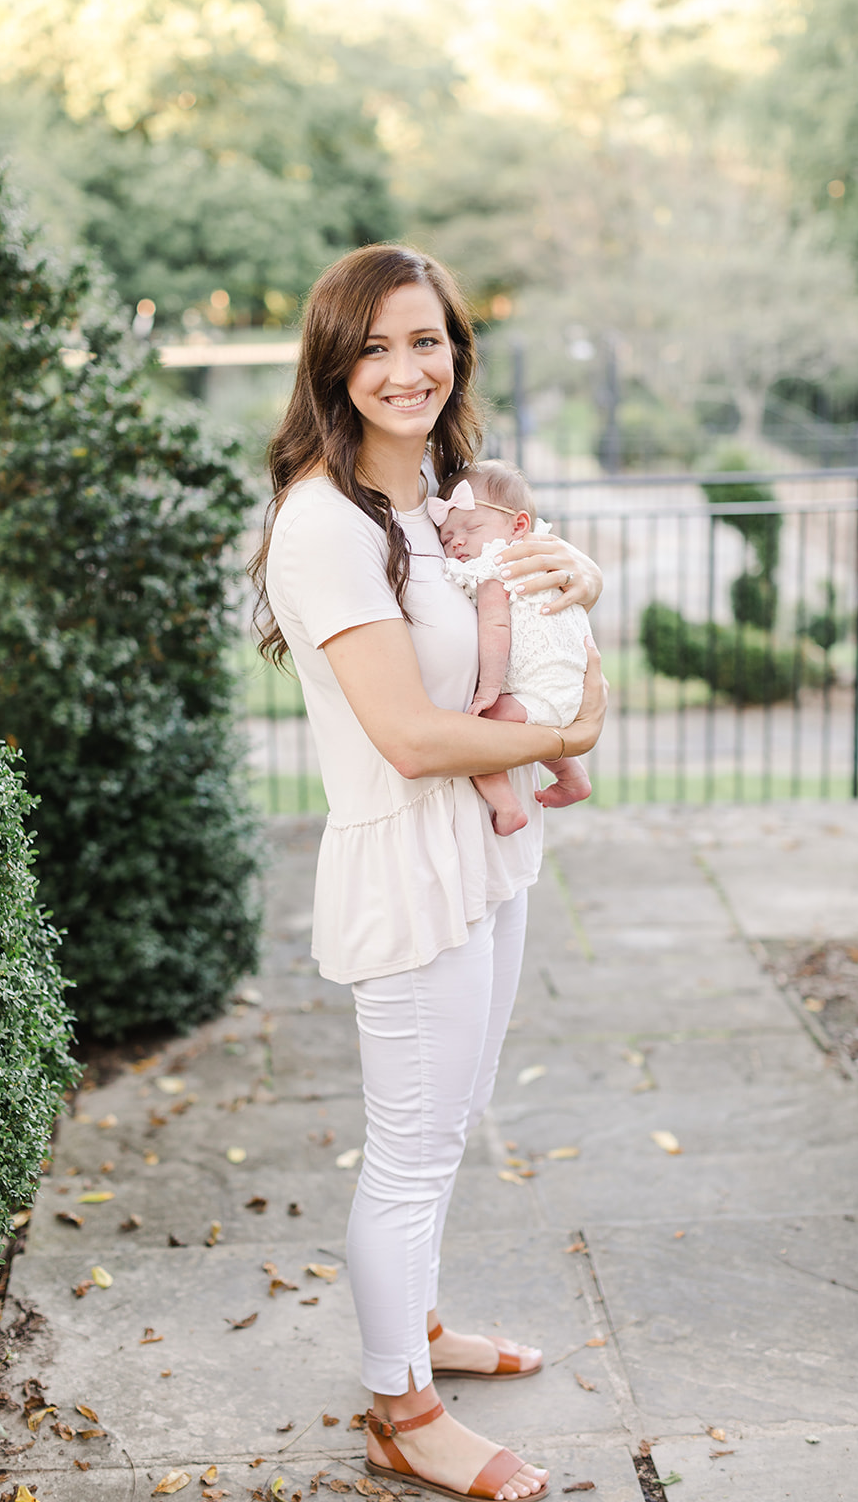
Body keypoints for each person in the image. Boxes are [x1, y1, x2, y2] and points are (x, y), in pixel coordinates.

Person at [251, 244, 607, 1502]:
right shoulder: (321, 521)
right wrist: (559, 738)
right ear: (335, 366)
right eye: (376, 346)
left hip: (484, 849)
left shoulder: (446, 499)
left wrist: (578, 592)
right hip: (406, 861)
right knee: (406, 1148)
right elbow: (408, 735)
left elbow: (549, 640)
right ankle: (398, 1409)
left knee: (447, 1123)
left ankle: (421, 1326)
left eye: (426, 340)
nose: (406, 368)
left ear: (455, 348)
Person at [429, 460, 594, 836]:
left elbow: (496, 626)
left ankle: (508, 807)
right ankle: (573, 778)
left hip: (539, 686)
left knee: (477, 737)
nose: (457, 541)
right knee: (538, 722)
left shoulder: (495, 568)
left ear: (518, 525)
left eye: (470, 528)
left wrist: (488, 689)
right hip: (567, 685)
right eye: (446, 536)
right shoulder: (543, 557)